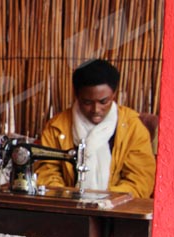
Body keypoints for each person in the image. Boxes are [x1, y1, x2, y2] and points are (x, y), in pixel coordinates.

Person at [35, 59, 156, 198]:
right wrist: (68, 198)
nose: (96, 109)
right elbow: (46, 173)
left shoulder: (132, 128)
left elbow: (140, 180)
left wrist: (103, 201)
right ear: (77, 95)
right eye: (87, 102)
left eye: (103, 101)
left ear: (114, 94)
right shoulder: (56, 128)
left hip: (118, 211)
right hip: (68, 211)